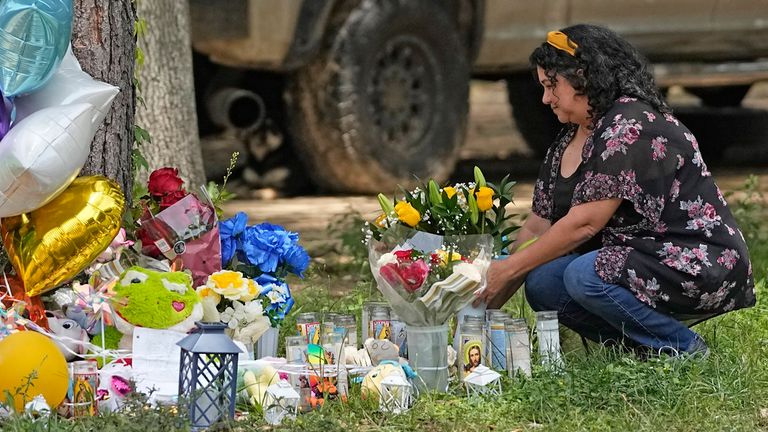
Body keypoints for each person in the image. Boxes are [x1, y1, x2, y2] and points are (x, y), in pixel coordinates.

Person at [475, 24, 755, 356]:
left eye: (552, 86)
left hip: (694, 261)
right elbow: (538, 227)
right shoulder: (569, 140)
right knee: (543, 282)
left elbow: (584, 223)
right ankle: (645, 349)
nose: (545, 98)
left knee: (584, 275)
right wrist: (483, 301)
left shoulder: (629, 126)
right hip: (636, 262)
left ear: (584, 77)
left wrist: (507, 269)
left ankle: (683, 348)